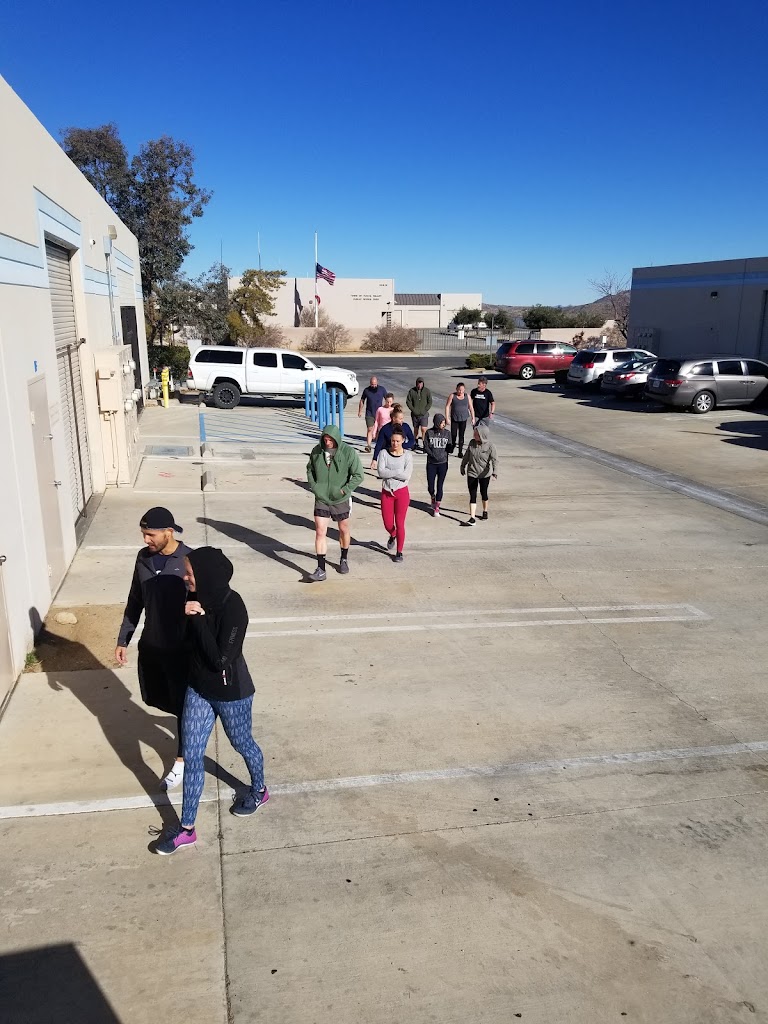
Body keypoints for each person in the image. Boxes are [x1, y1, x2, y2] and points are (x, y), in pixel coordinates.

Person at [153, 547, 267, 855]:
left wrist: (198, 618)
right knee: (191, 755)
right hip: (198, 690)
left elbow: (220, 660)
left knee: (242, 743)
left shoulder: (234, 610)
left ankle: (259, 790)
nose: (185, 578)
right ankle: (186, 829)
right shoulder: (191, 598)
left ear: (207, 576)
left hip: (232, 693)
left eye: (190, 573)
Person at [115, 507, 192, 791]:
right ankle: (193, 728)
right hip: (152, 645)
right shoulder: (142, 559)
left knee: (184, 707)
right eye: (143, 534)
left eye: (150, 534)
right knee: (158, 698)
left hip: (181, 650)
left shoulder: (188, 560)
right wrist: (124, 638)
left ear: (168, 532)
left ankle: (182, 761)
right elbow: (136, 598)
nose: (146, 540)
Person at [306, 424, 365, 582]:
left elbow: (359, 475)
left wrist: (345, 490)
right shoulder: (316, 451)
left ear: (336, 439)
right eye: (325, 439)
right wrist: (315, 486)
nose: (327, 442)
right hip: (322, 498)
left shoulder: (348, 452)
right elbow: (309, 469)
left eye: (330, 439)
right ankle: (321, 569)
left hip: (340, 498)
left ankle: (344, 558)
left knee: (343, 529)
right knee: (320, 531)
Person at [377, 425, 413, 563]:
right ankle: (393, 534)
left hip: (402, 493)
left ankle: (399, 552)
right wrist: (398, 472)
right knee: (387, 523)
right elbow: (381, 472)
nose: (395, 443)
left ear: (403, 440)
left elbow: (407, 475)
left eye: (398, 441)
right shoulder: (383, 454)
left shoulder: (408, 455)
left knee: (400, 523)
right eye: (393, 441)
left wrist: (390, 473)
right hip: (387, 492)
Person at [460, 422, 498, 525]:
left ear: (482, 435)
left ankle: (485, 511)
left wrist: (495, 472)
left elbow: (495, 460)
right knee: (472, 495)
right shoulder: (472, 443)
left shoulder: (490, 446)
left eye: (476, 433)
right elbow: (467, 455)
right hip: (472, 472)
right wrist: (462, 466)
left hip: (484, 474)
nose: (474, 435)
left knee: (483, 493)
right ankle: (472, 518)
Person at [423, 413, 451, 516]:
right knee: (431, 486)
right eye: (442, 422)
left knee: (440, 485)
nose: (443, 424)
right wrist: (432, 454)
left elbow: (449, 446)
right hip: (431, 463)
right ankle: (432, 496)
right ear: (437, 422)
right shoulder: (429, 433)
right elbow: (425, 446)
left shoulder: (447, 433)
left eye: (444, 422)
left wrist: (451, 447)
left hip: (443, 463)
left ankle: (437, 508)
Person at [357, 376, 387, 453]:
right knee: (370, 429)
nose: (374, 386)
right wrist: (360, 411)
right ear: (370, 383)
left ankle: (378, 445)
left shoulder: (382, 389)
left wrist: (388, 409)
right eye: (372, 384)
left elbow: (387, 399)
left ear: (377, 383)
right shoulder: (366, 390)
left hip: (379, 413)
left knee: (378, 431)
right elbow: (362, 400)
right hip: (369, 413)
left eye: (375, 384)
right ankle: (369, 445)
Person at [445, 382, 474, 458]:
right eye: (459, 390)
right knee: (453, 435)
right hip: (454, 418)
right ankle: (452, 447)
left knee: (461, 436)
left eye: (462, 390)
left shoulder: (467, 396)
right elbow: (447, 406)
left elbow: (471, 407)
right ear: (456, 389)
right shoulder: (452, 396)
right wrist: (447, 418)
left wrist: (473, 418)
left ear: (464, 390)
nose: (460, 392)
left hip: (463, 419)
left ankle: (460, 451)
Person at [406, 377, 433, 450]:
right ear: (416, 383)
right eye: (418, 383)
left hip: (424, 414)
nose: (420, 384)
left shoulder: (427, 391)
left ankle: (424, 444)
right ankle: (415, 442)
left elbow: (430, 401)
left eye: (421, 383)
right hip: (415, 414)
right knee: (416, 430)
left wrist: (425, 410)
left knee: (424, 429)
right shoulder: (412, 391)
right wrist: (413, 409)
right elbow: (408, 401)